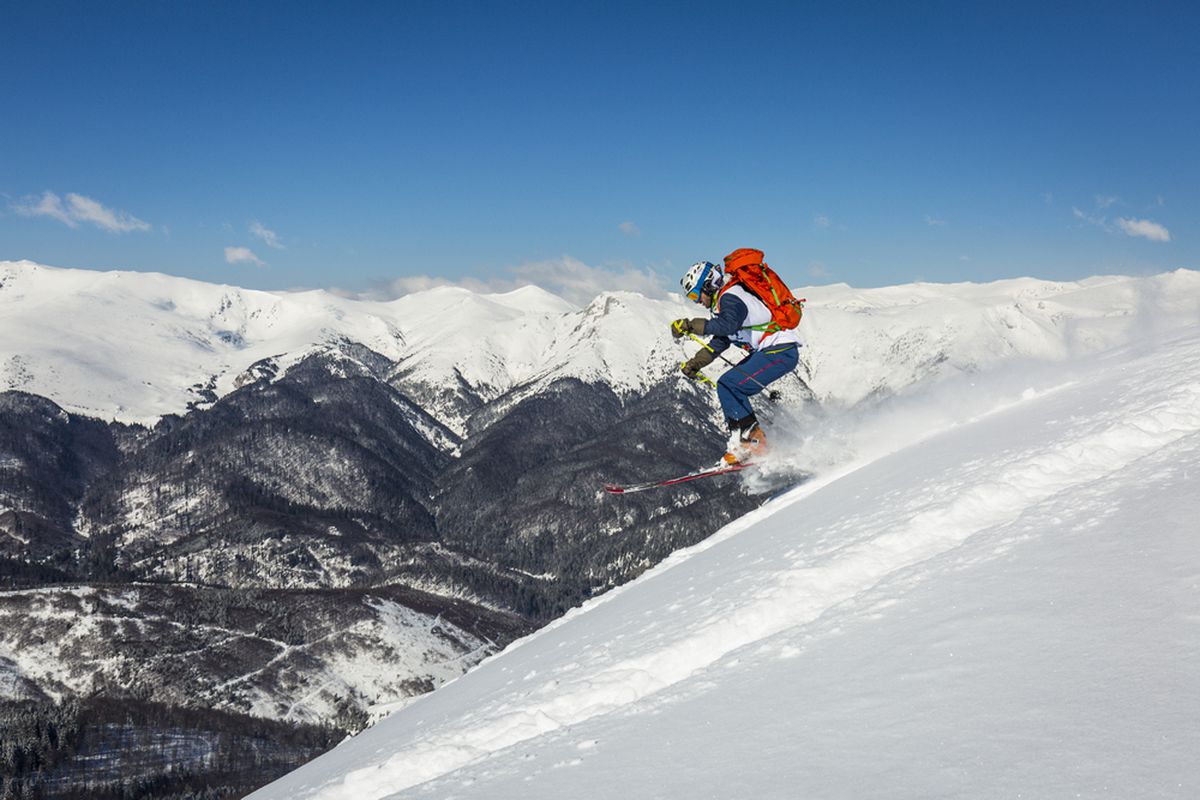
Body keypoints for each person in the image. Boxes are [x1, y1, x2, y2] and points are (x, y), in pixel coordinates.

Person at [671, 249, 801, 465]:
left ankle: (752, 444)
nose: (697, 301)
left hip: (779, 350)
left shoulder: (731, 297)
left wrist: (691, 325)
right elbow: (721, 340)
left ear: (708, 285)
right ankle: (753, 442)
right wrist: (695, 364)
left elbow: (728, 326)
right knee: (729, 385)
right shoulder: (725, 301)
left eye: (695, 295)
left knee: (729, 385)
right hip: (775, 351)